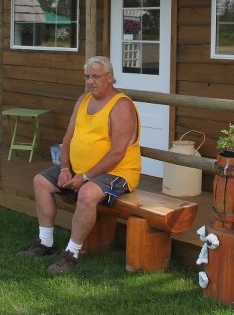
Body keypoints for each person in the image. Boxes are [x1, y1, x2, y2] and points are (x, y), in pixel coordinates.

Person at [16, 56, 141, 275]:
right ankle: (46, 242)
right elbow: (68, 138)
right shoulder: (83, 100)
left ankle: (72, 253)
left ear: (110, 78)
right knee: (40, 182)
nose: (90, 81)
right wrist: (65, 168)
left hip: (117, 172)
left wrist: (84, 177)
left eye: (96, 76)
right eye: (87, 77)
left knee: (86, 194)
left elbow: (118, 153)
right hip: (79, 168)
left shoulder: (121, 105)